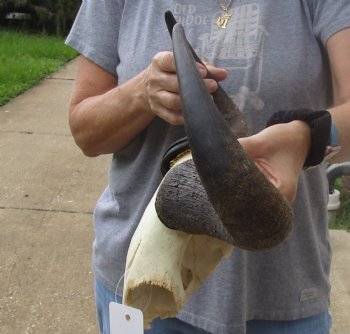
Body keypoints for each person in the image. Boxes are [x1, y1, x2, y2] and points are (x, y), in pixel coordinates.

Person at [66, 1, 350, 333]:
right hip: (145, 288)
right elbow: (86, 133)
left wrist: (306, 137)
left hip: (282, 293)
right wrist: (141, 94)